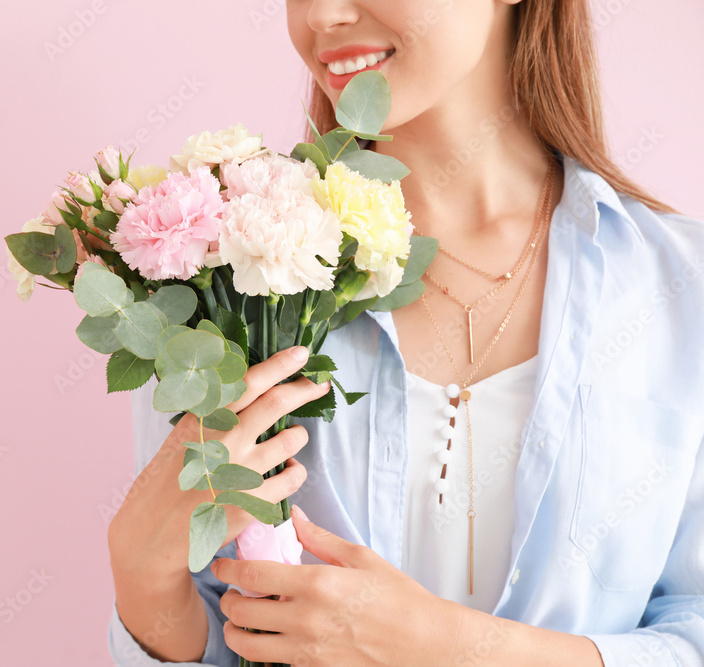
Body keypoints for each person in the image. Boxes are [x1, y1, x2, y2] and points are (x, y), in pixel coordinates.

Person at [106, 0, 704, 665]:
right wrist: (141, 579)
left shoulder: (682, 288)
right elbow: (222, 627)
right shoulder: (226, 278)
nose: (324, 15)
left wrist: (448, 648)